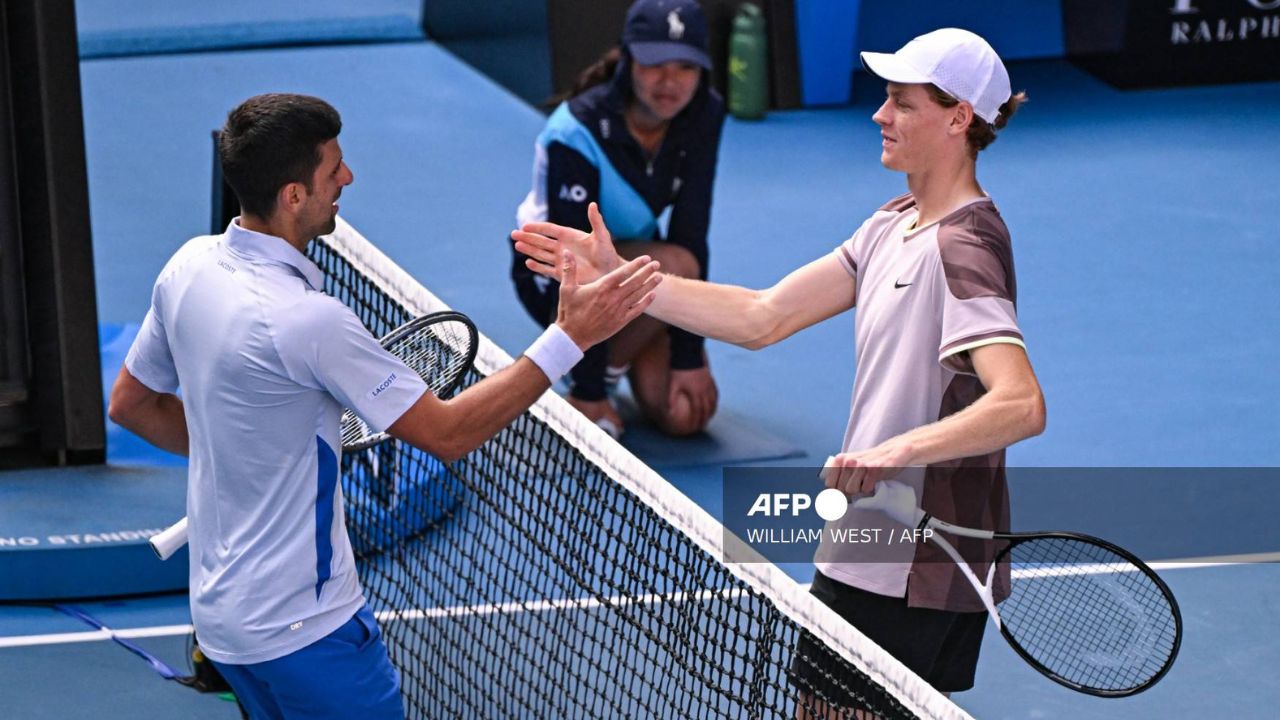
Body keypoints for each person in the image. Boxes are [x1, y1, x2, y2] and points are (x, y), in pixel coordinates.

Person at [514, 28, 1047, 717]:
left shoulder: (965, 247)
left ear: (959, 119)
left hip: (912, 551)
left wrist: (897, 450)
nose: (880, 116)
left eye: (901, 104)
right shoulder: (894, 223)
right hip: (879, 538)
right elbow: (762, 316)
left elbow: (1021, 403)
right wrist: (626, 280)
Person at [107, 93, 661, 719]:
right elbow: (448, 434)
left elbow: (132, 404)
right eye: (332, 170)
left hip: (223, 625)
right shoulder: (309, 321)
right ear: (293, 196)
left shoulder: (188, 267)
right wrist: (570, 341)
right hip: (307, 633)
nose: (348, 178)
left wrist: (248, 452)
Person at [512, 0, 726, 438]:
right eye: (654, 64)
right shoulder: (575, 131)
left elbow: (691, 229)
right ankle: (584, 370)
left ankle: (595, 365)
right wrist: (591, 395)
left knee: (684, 414)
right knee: (676, 265)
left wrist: (688, 356)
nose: (671, 82)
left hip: (633, 266)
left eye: (686, 66)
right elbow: (575, 265)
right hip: (552, 277)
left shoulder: (704, 112)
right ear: (628, 59)